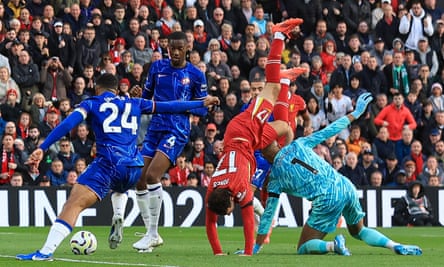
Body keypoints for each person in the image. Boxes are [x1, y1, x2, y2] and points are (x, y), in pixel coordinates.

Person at [15, 73, 219, 261]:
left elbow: (68, 124)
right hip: (134, 166)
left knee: (73, 204)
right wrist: (200, 102)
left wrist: (42, 147)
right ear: (115, 89)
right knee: (119, 187)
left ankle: (45, 252)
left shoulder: (92, 102)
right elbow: (170, 105)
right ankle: (118, 214)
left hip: (109, 162)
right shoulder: (135, 102)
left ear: (97, 88)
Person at [241, 93, 422, 256]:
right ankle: (394, 245)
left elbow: (268, 215)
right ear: (276, 143)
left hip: (327, 198)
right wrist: (355, 113)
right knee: (359, 230)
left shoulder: (275, 180)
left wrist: (254, 248)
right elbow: (330, 130)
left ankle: (333, 246)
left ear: (263, 154)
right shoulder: (299, 143)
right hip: (345, 184)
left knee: (303, 247)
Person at [205, 18, 306, 256]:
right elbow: (210, 224)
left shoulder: (239, 188)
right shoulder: (211, 192)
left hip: (245, 130)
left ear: (231, 200)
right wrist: (218, 253)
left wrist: (249, 253)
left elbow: (248, 221)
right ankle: (284, 80)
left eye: (228, 211)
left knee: (270, 87)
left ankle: (278, 36)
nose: (229, 213)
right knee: (285, 127)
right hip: (247, 142)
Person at [131, 31, 210, 253]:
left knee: (153, 176)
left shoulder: (195, 74)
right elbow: (146, 100)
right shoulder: (157, 68)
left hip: (177, 129)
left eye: (179, 48)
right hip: (155, 127)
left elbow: (202, 109)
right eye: (171, 48)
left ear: (187, 49)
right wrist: (138, 95)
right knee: (139, 179)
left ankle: (153, 234)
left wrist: (194, 105)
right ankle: (149, 234)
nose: (175, 52)